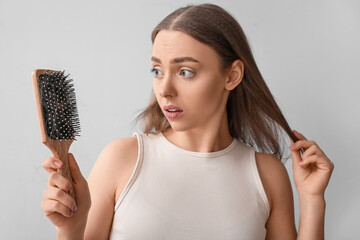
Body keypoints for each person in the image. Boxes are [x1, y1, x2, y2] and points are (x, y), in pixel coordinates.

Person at [40, 3, 334, 240]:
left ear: (232, 76)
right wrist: (70, 232)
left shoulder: (267, 175)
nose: (164, 89)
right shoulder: (122, 159)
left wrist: (312, 199)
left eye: (185, 72)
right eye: (157, 70)